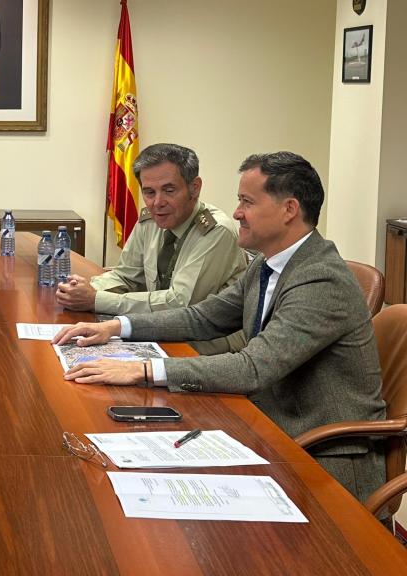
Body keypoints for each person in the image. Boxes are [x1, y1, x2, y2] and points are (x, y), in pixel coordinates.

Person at [54, 151, 386, 505]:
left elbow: (254, 367)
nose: (238, 212)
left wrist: (142, 370)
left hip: (320, 456)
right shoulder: (267, 263)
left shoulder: (320, 279)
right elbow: (203, 317)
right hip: (267, 427)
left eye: (247, 201)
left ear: (289, 209)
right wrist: (119, 327)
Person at [56, 143, 247, 354]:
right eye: (149, 192)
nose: (157, 202)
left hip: (209, 344)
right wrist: (82, 288)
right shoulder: (151, 220)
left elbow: (180, 304)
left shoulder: (215, 231)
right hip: (161, 329)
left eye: (169, 190)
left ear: (195, 188)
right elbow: (127, 276)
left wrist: (95, 299)